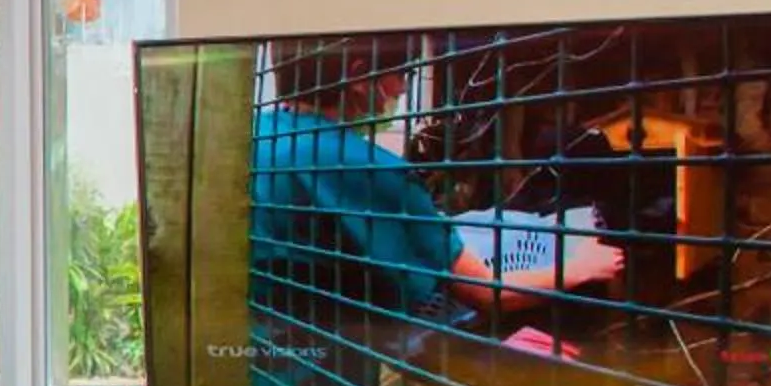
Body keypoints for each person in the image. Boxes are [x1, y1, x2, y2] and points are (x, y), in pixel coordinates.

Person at [252, 52, 623, 329]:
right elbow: (485, 294)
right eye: (404, 75)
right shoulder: (373, 170)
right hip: (335, 359)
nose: (401, 89)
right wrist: (578, 268)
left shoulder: (257, 134)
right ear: (361, 75)